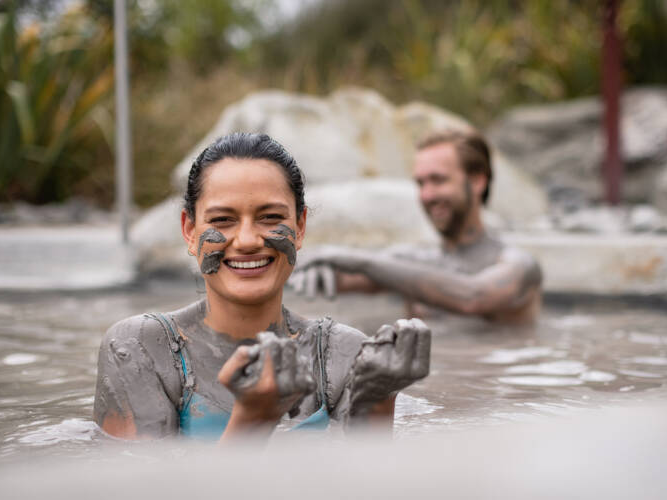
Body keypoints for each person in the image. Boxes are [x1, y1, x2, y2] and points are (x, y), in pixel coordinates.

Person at [93, 133, 431, 441]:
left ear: (299, 226)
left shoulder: (341, 355)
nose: (248, 240)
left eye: (270, 218)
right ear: (189, 231)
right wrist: (253, 419)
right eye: (222, 220)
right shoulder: (142, 350)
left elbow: (367, 485)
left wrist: (377, 403)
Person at [291, 129, 542, 325]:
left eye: (438, 180)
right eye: (420, 183)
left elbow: (472, 297)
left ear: (477, 181)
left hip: (491, 389)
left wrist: (359, 259)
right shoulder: (411, 260)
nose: (427, 195)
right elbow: (333, 279)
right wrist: (315, 269)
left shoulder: (518, 266)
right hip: (422, 389)